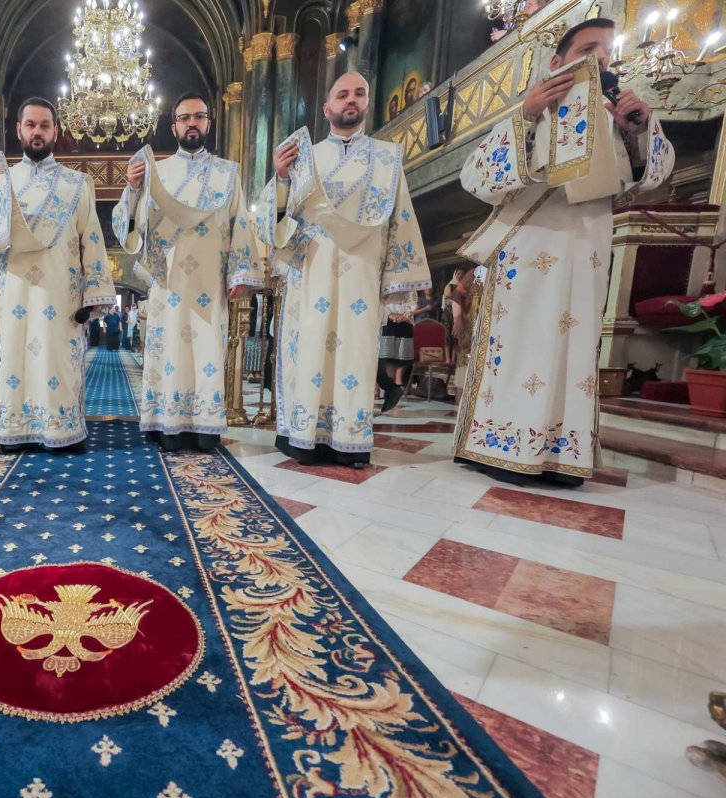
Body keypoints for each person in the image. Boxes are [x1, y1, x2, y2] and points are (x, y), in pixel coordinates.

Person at [452, 18, 673, 488]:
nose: (600, 59)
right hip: (526, 251)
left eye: (607, 52)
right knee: (520, 346)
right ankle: (496, 446)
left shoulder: (617, 121)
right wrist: (527, 116)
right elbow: (474, 179)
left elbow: (650, 178)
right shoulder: (530, 115)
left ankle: (558, 455)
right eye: (588, 49)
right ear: (557, 61)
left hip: (585, 250)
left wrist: (638, 132)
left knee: (570, 350)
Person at [257, 71, 430, 467]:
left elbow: (401, 219)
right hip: (312, 274)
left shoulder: (387, 158)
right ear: (327, 108)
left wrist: (397, 282)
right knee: (310, 351)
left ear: (367, 102)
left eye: (359, 93)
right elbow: (274, 225)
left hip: (361, 278)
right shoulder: (304, 159)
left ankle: (349, 440)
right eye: (342, 94)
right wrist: (281, 178)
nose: (351, 100)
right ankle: (305, 438)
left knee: (355, 355)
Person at [0, 97, 115, 454]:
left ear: (55, 131)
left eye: (44, 125)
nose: (37, 131)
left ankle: (62, 430)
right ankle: (17, 430)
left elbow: (92, 240)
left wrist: (93, 297)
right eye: (30, 125)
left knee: (57, 360)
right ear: (18, 130)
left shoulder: (77, 184)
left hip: (61, 294)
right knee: (15, 358)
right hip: (16, 291)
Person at [113, 92, 261, 451]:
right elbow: (134, 230)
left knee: (207, 352)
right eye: (184, 118)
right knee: (170, 354)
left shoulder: (228, 173)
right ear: (174, 126)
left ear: (209, 122)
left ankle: (204, 428)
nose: (192, 123)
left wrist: (240, 272)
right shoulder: (157, 174)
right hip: (169, 283)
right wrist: (132, 190)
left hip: (211, 281)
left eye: (198, 116)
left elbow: (240, 223)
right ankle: (167, 425)